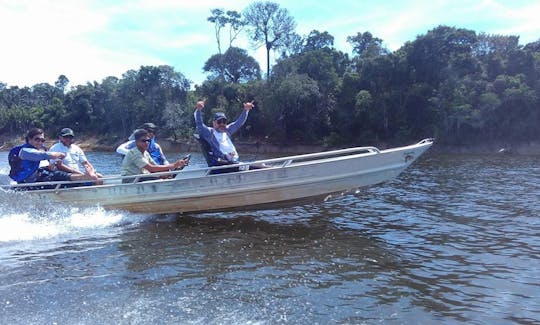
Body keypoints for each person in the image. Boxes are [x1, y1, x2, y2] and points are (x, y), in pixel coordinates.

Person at [8, 128, 98, 188]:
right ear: (29, 139)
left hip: (41, 177)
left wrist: (51, 166)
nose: (40, 142)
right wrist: (56, 154)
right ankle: (86, 179)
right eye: (37, 139)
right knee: (58, 175)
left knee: (57, 174)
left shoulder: (41, 149)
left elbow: (47, 163)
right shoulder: (24, 151)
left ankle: (88, 181)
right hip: (27, 182)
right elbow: (39, 155)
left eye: (42, 140)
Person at [194, 100, 255, 171]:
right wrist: (198, 110)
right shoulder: (210, 132)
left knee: (260, 165)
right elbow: (199, 124)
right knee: (253, 167)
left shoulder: (227, 130)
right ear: (214, 123)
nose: (222, 124)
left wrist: (246, 110)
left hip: (235, 162)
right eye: (219, 122)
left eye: (224, 122)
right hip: (224, 164)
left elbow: (239, 122)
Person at [120, 129, 188, 183]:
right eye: (143, 141)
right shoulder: (134, 153)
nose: (146, 143)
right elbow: (151, 168)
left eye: (148, 140)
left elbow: (155, 166)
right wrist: (174, 165)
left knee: (163, 175)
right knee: (158, 178)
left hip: (140, 178)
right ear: (137, 142)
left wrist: (168, 172)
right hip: (131, 180)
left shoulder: (146, 153)